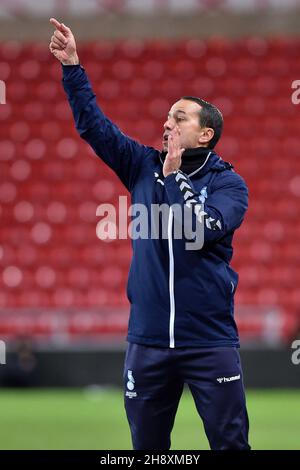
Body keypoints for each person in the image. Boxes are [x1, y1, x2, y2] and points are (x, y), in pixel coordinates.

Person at [49, 18, 250, 450]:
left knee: (230, 445)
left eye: (180, 117)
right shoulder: (141, 165)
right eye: (166, 116)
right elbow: (93, 127)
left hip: (210, 341)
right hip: (148, 341)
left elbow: (203, 226)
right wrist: (72, 68)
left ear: (206, 134)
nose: (168, 123)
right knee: (148, 450)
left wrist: (175, 177)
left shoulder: (229, 185)